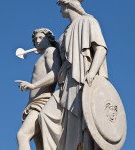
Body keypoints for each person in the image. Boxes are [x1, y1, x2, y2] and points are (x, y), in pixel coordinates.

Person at [38, 0, 108, 149]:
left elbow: (101, 49)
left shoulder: (89, 21)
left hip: (82, 78)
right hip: (65, 84)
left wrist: (91, 74)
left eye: (60, 5)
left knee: (82, 122)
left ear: (68, 4)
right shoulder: (63, 34)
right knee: (45, 116)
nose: (59, 9)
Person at [15, 28, 61, 150]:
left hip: (42, 102)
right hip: (34, 104)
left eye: (41, 38)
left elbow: (55, 73)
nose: (37, 41)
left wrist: (33, 86)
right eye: (35, 39)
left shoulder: (50, 51)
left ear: (49, 39)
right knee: (42, 147)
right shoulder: (42, 56)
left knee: (22, 135)